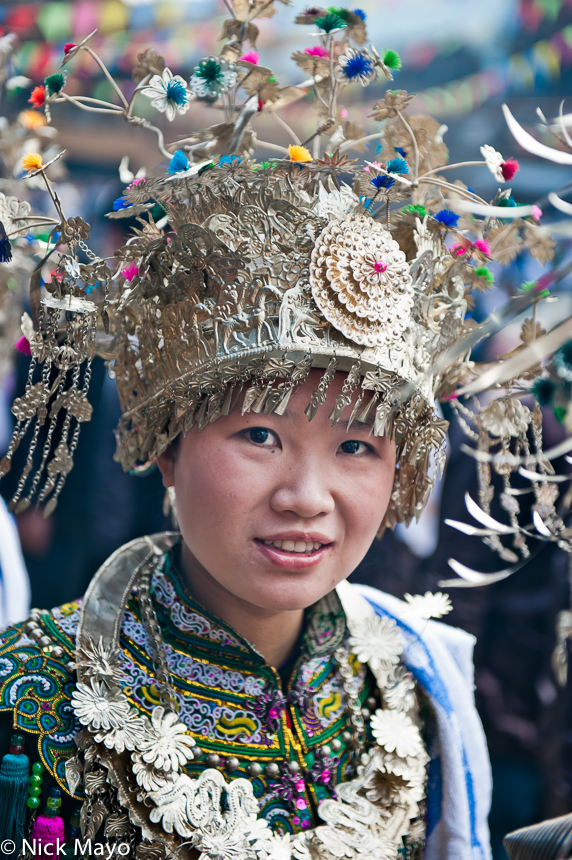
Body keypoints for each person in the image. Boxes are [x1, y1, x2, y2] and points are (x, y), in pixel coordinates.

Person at [0, 5, 558, 858]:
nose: (307, 498)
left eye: (357, 447)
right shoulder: (27, 698)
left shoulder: (416, 691)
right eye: (259, 436)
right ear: (166, 443)